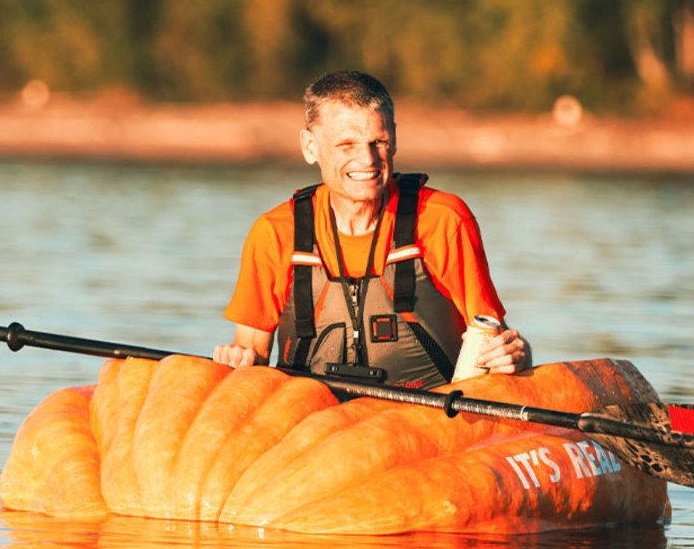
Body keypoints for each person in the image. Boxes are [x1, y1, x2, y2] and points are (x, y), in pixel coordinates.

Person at [213, 70, 529, 389]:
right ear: (310, 147)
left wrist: (516, 355)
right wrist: (237, 362)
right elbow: (251, 360)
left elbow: (493, 342)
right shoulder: (275, 232)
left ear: (394, 139)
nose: (367, 159)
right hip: (313, 424)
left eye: (378, 142)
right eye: (346, 145)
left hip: (431, 424)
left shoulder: (443, 219)